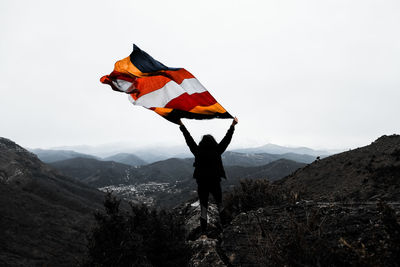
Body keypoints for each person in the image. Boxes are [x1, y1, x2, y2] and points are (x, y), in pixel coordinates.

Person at [178, 117, 238, 234]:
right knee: (220, 204)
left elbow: (188, 139)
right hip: (215, 182)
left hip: (202, 183)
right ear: (213, 141)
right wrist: (232, 125)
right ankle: (225, 226)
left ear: (202, 142)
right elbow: (227, 139)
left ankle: (204, 231)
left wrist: (181, 125)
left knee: (203, 207)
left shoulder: (197, 151)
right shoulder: (217, 150)